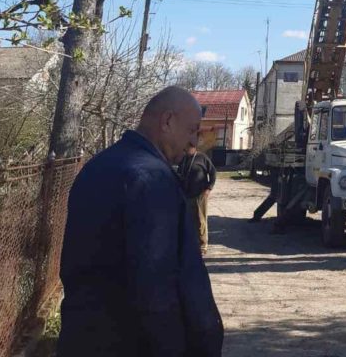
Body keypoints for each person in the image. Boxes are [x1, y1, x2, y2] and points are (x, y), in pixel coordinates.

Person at [57, 86, 223, 357]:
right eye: (192, 130)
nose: (194, 141)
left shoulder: (96, 166)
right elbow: (157, 287)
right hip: (131, 342)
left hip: (82, 336)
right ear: (167, 121)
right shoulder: (152, 180)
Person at [178, 144, 216, 257]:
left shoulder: (202, 158)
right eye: (185, 148)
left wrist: (209, 188)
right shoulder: (184, 159)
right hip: (187, 194)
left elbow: (213, 173)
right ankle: (192, 243)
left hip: (200, 194)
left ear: (194, 147)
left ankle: (203, 245)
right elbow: (180, 173)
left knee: (200, 220)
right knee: (189, 220)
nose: (186, 150)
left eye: (188, 147)